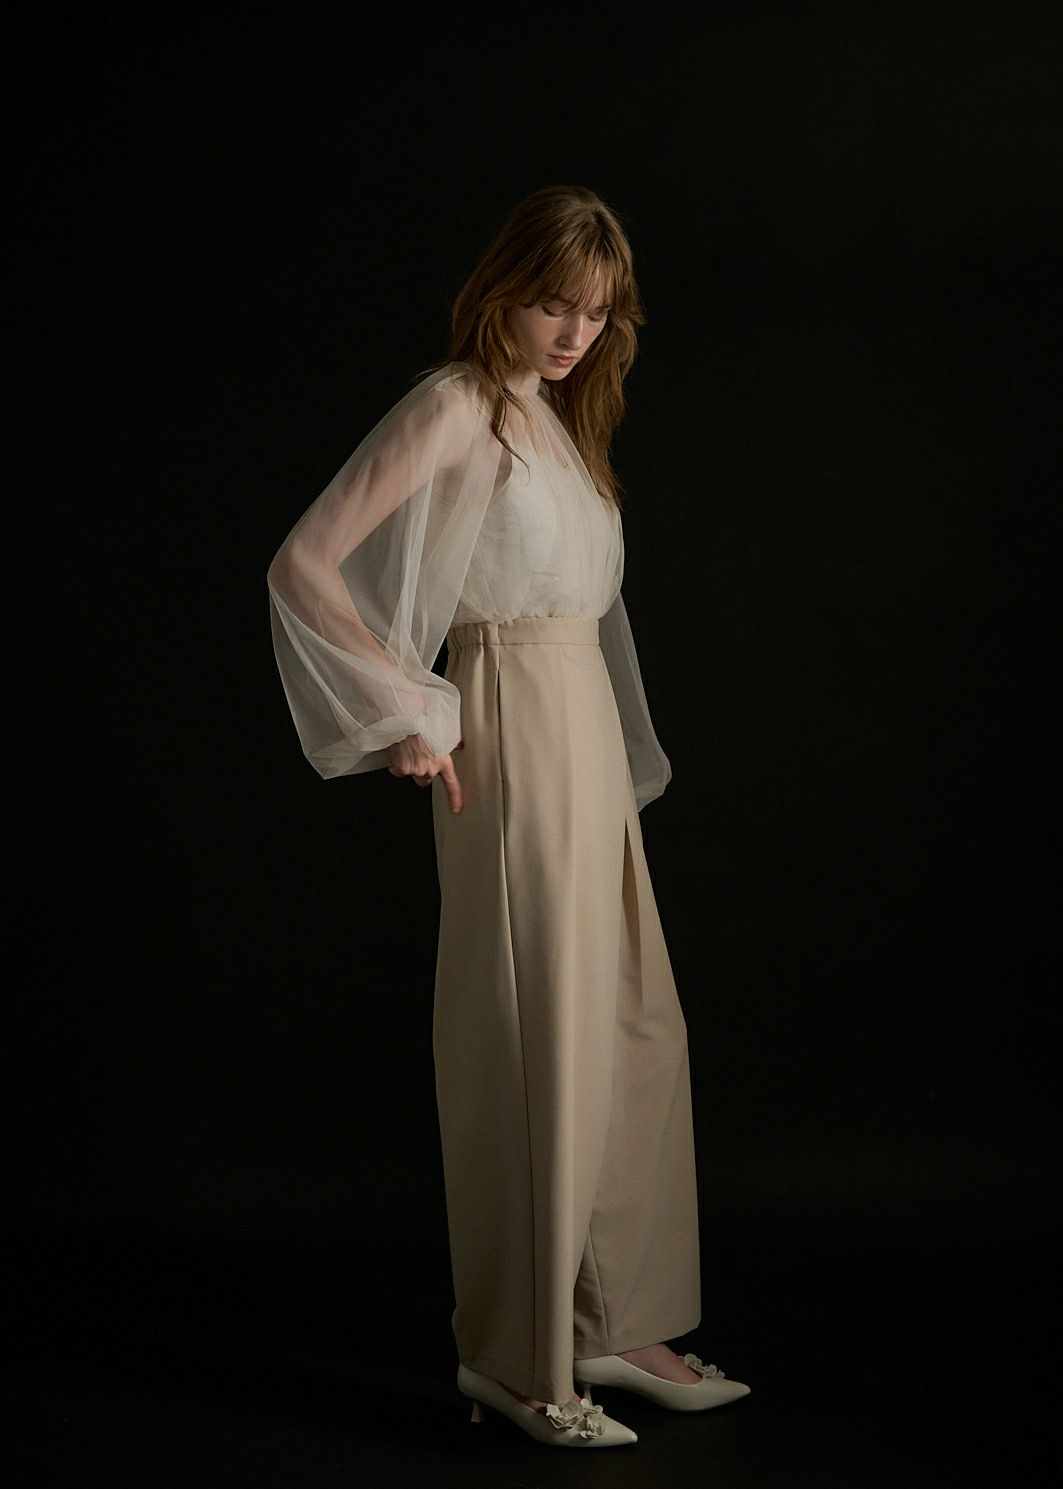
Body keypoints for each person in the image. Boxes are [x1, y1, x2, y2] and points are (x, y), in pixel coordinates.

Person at [266, 184, 750, 1448]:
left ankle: (610, 1320)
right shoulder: (456, 404)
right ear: (501, 292)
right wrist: (407, 710)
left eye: (596, 312)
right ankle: (518, 1357)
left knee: (629, 1021)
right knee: (536, 1035)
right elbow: (306, 561)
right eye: (553, 303)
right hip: (511, 722)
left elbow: (584, 611)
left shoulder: (560, 421)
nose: (575, 332)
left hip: (579, 719)